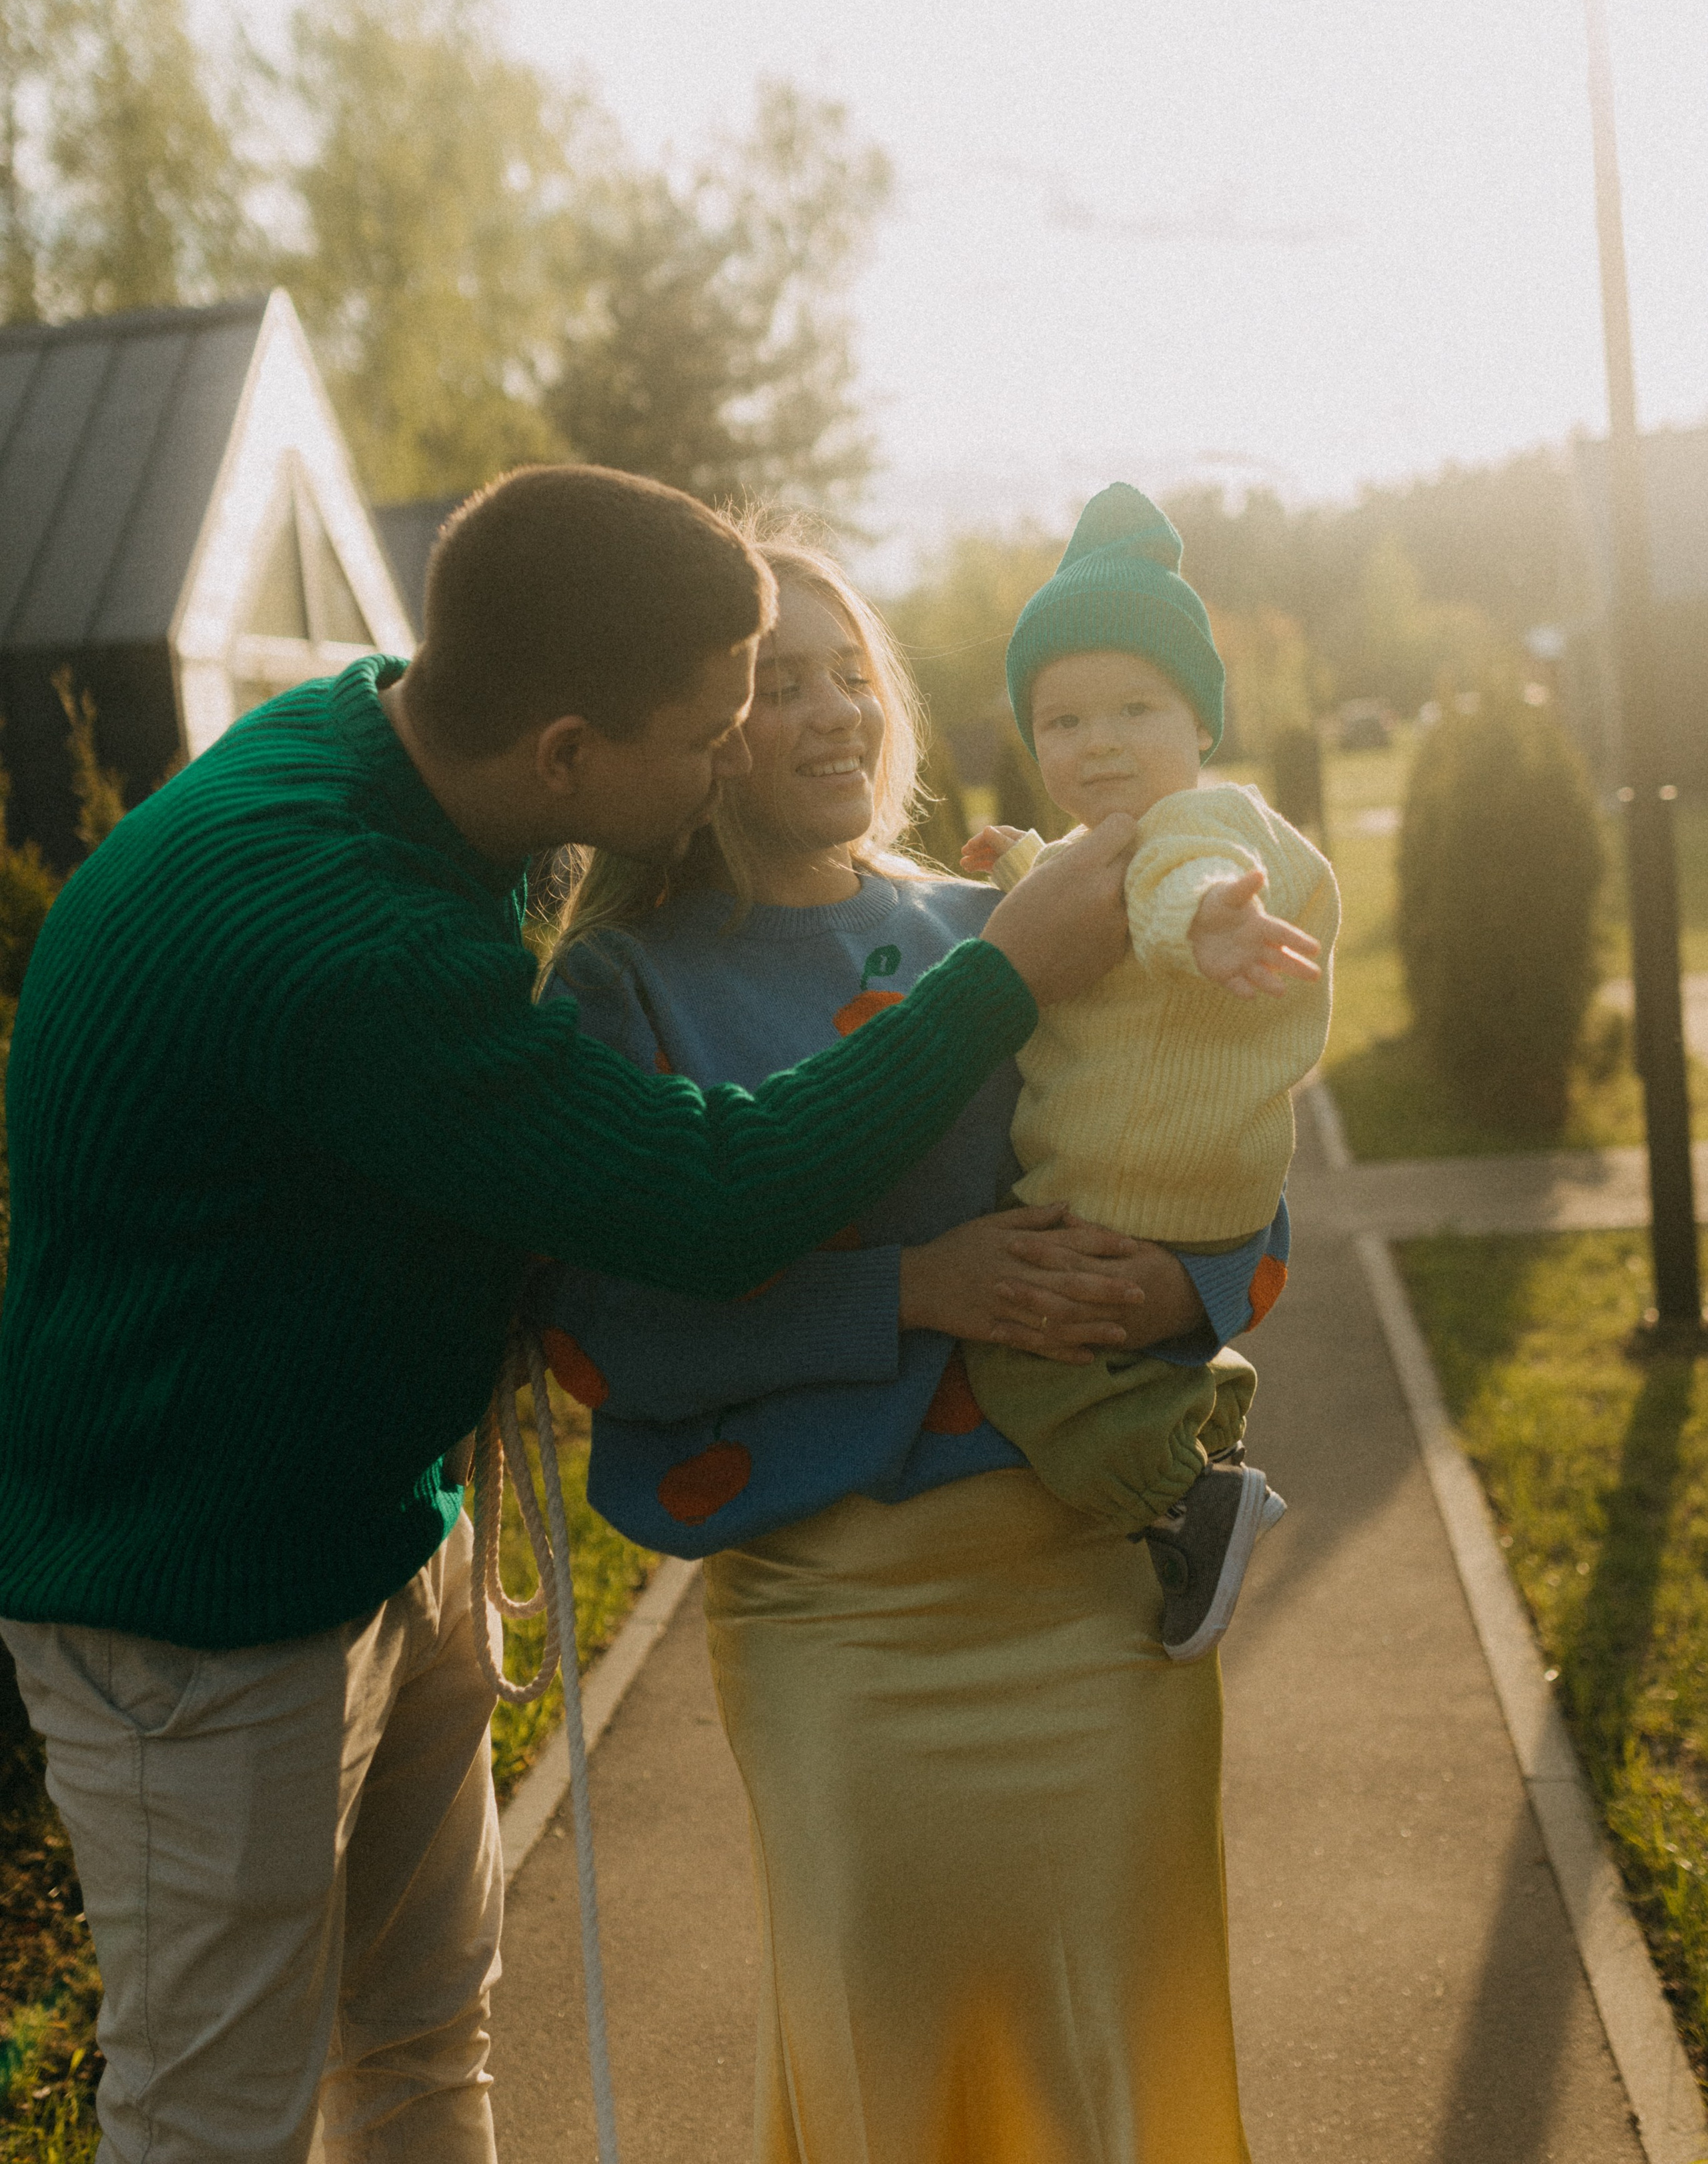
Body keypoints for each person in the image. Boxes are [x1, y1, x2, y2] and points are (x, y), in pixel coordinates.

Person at [0, 465, 1142, 2164]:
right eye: (703, 736)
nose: (732, 757)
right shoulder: (344, 935)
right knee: (212, 2114)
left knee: (419, 2037)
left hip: (384, 1525)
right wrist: (1000, 976)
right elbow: (706, 1197)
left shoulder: (382, 745)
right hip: (200, 1607)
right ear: (562, 757)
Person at [538, 527, 1262, 2164]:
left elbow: (1213, 1146)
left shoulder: (1020, 911)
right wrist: (912, 1292)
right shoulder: (621, 991)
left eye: (849, 674)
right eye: (774, 687)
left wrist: (1173, 1294)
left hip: (1089, 1592)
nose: (830, 714)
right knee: (893, 2046)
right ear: (700, 727)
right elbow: (602, 1330)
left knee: (1114, 2044)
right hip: (836, 1625)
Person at [960, 482, 1339, 1661]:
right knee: (1107, 1358)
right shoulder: (1126, 837)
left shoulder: (1203, 831)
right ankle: (1196, 1425)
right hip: (1197, 1185)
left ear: (1199, 721)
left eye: (1136, 707)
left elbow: (1171, 883)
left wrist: (1206, 926)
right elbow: (1097, 876)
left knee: (1020, 1364)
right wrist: (1019, 860)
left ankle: (1186, 1499)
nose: (1100, 742)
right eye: (1063, 723)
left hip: (1130, 1177)